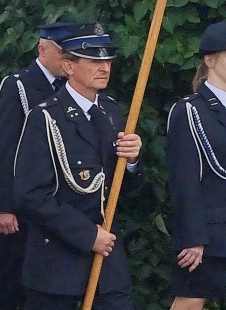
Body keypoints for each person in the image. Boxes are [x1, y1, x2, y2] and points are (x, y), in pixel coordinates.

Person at [13, 22, 143, 310]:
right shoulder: (45, 118)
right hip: (58, 268)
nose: (104, 67)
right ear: (68, 66)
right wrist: (88, 235)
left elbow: (123, 191)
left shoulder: (111, 112)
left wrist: (132, 161)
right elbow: (31, 195)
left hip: (108, 268)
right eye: (94, 61)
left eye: (107, 60)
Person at [0, 22, 78, 309]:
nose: (68, 60)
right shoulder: (19, 86)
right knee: (10, 281)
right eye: (63, 53)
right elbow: (1, 148)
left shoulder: (72, 88)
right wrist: (2, 206)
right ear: (42, 49)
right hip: (22, 207)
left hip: (57, 204)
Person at [166, 21, 226, 310]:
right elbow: (184, 180)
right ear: (209, 60)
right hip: (208, 237)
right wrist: (193, 238)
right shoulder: (189, 111)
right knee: (190, 302)